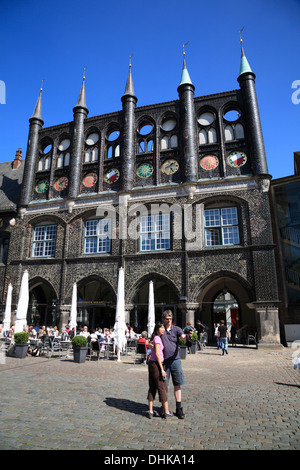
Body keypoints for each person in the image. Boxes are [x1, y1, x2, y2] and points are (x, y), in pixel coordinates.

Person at [160, 310, 186, 419]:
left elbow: (183, 336)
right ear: (163, 319)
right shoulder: (160, 330)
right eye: (167, 319)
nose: (169, 321)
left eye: (170, 318)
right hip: (164, 362)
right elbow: (154, 340)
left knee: (177, 383)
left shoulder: (177, 329)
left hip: (175, 360)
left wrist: (186, 337)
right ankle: (163, 407)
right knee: (164, 385)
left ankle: (178, 408)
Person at [147, 322, 172, 419]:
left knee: (152, 386)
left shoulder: (157, 338)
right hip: (157, 364)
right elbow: (157, 354)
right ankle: (166, 412)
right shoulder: (157, 338)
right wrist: (162, 369)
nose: (163, 329)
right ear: (157, 329)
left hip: (152, 364)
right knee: (162, 387)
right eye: (161, 328)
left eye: (163, 328)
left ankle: (150, 411)